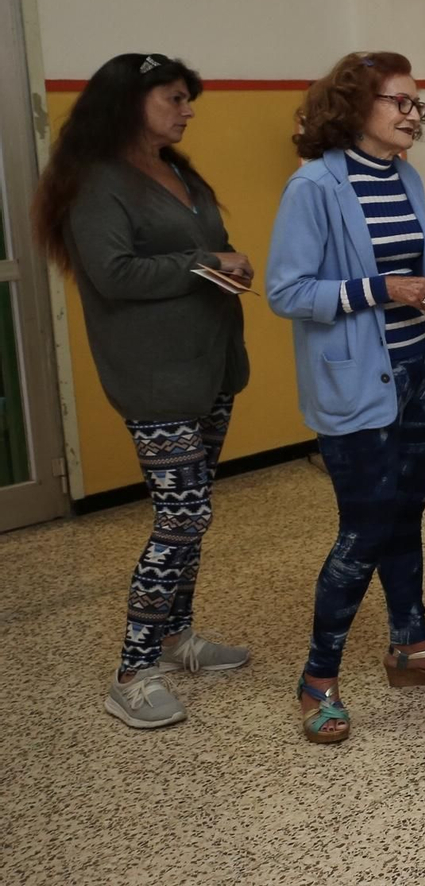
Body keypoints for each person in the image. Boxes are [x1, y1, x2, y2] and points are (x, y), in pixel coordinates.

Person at [267, 51, 425, 745]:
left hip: (420, 372)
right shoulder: (313, 187)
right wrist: (382, 289)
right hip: (354, 385)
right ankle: (317, 678)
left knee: (407, 514)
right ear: (354, 106)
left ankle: (411, 645)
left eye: (416, 104)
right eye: (400, 102)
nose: (412, 115)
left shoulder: (406, 177)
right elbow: (288, 291)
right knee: (363, 528)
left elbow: (411, 276)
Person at [32, 53, 254, 730]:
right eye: (175, 98)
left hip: (209, 367)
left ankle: (178, 636)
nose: (187, 111)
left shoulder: (178, 171)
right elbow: (114, 272)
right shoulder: (100, 182)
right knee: (180, 518)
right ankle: (133, 669)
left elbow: (199, 248)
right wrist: (205, 262)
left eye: (189, 100)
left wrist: (227, 260)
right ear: (130, 102)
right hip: (155, 379)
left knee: (196, 512)